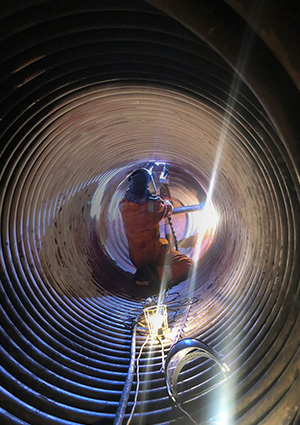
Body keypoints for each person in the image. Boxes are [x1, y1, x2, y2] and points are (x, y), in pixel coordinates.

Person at [119, 167, 193, 290]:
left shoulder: (123, 204)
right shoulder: (151, 208)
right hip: (152, 255)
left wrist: (144, 173)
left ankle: (150, 274)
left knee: (163, 241)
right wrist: (163, 183)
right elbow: (168, 208)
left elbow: (136, 192)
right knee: (188, 266)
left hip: (136, 256)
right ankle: (150, 276)